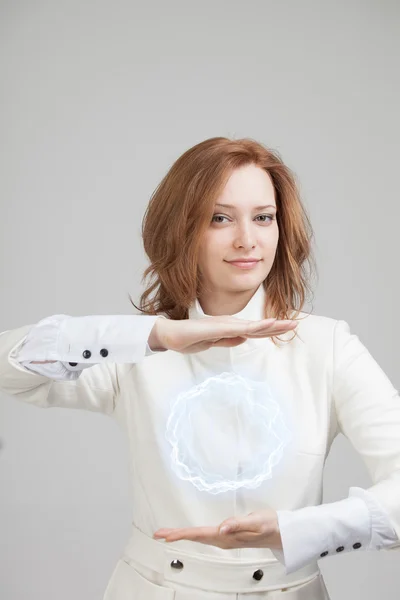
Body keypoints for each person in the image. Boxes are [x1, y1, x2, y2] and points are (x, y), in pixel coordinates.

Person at [1, 137, 399, 600]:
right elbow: (10, 364)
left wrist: (298, 530)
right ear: (181, 229)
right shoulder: (132, 350)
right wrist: (153, 336)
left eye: (263, 217)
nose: (247, 239)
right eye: (220, 218)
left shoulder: (327, 346)